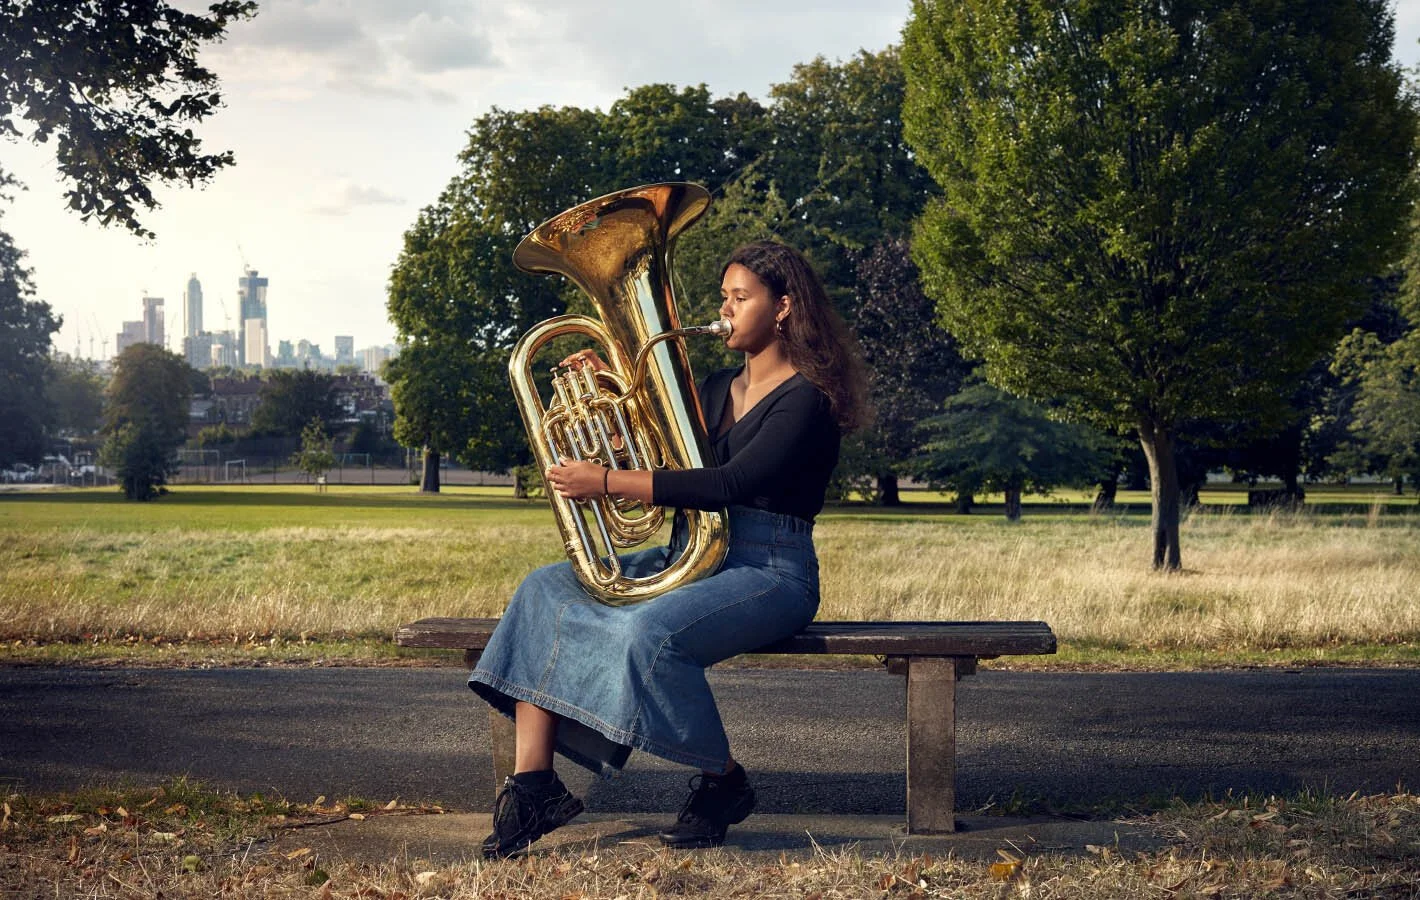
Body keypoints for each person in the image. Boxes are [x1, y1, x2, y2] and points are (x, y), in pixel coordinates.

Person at [469, 240, 867, 858]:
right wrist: (601, 390)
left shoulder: (807, 399)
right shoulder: (712, 388)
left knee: (646, 634)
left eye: (741, 297)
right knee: (545, 589)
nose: (725, 309)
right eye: (724, 297)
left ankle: (723, 781)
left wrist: (605, 482)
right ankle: (534, 785)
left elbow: (731, 485)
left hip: (771, 568)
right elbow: (658, 463)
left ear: (783, 306)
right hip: (696, 553)